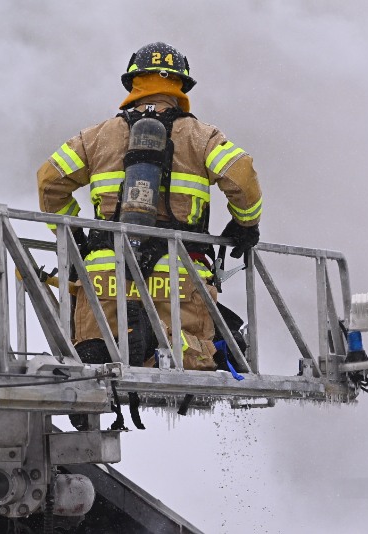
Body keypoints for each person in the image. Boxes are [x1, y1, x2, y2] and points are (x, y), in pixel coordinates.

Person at [37, 42, 262, 373]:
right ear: (181, 86)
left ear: (133, 84)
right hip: (181, 277)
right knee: (183, 360)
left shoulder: (97, 137)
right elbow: (242, 177)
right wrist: (245, 223)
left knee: (97, 364)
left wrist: (74, 236)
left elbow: (48, 183)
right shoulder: (202, 137)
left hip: (104, 276)